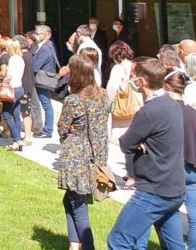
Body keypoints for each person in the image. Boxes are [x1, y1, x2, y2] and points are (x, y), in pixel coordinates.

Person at [107, 57, 185, 250]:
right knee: (175, 246)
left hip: (154, 189)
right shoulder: (172, 105)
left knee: (118, 241)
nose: (129, 79)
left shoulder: (150, 111)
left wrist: (140, 142)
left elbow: (126, 144)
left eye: (132, 75)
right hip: (174, 187)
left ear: (141, 81)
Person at [56, 54, 110, 250]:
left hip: (76, 156)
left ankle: (87, 245)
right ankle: (74, 243)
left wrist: (70, 132)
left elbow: (62, 128)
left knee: (78, 204)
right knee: (70, 199)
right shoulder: (103, 95)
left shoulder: (73, 100)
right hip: (95, 154)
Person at [163, 68, 196, 250]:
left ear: (167, 86)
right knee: (195, 217)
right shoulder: (194, 113)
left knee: (170, 212)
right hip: (194, 167)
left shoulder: (166, 111)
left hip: (174, 167)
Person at [105, 40, 139, 178]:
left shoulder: (118, 68)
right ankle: (133, 170)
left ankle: (131, 172)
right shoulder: (135, 65)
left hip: (123, 108)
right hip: (136, 105)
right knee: (136, 140)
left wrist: (107, 104)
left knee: (125, 140)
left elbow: (112, 88)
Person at [32, 24, 60, 137]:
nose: (36, 35)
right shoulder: (46, 45)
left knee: (46, 103)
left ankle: (48, 130)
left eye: (39, 34)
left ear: (46, 35)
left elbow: (35, 65)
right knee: (46, 103)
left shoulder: (45, 48)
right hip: (42, 78)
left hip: (42, 79)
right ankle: (46, 128)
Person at [1, 37, 26, 151]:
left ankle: (16, 139)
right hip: (19, 87)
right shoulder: (20, 58)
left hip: (13, 88)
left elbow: (9, 75)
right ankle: (18, 141)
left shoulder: (12, 59)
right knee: (16, 115)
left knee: (6, 114)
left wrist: (1, 83)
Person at [18, 35, 39, 142]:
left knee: (25, 113)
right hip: (26, 87)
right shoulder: (28, 55)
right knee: (25, 112)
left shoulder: (24, 56)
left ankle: (27, 137)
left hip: (24, 88)